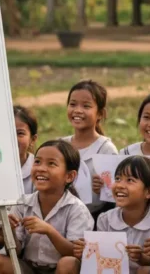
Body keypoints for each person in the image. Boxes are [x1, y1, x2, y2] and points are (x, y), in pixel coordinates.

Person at [0, 140, 94, 274]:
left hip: (58, 269)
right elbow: (15, 252)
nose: (41, 168)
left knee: (68, 263)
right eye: (37, 162)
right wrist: (10, 230)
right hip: (29, 268)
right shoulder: (22, 203)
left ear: (69, 176)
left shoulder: (77, 209)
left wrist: (49, 231)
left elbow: (75, 253)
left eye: (51, 164)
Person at [71, 156, 150, 274]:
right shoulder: (105, 219)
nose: (120, 185)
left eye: (130, 180)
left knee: (145, 270)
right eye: (117, 178)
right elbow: (101, 259)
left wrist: (142, 258)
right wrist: (84, 251)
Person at [60, 80, 118, 225]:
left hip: (94, 221)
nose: (78, 110)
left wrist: (102, 189)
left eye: (86, 106)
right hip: (60, 219)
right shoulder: (60, 145)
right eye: (73, 104)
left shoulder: (106, 149)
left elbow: (114, 197)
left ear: (100, 114)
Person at [15, 105, 39, 194]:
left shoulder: (39, 171)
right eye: (8, 132)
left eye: (20, 133)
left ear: (32, 139)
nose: (13, 138)